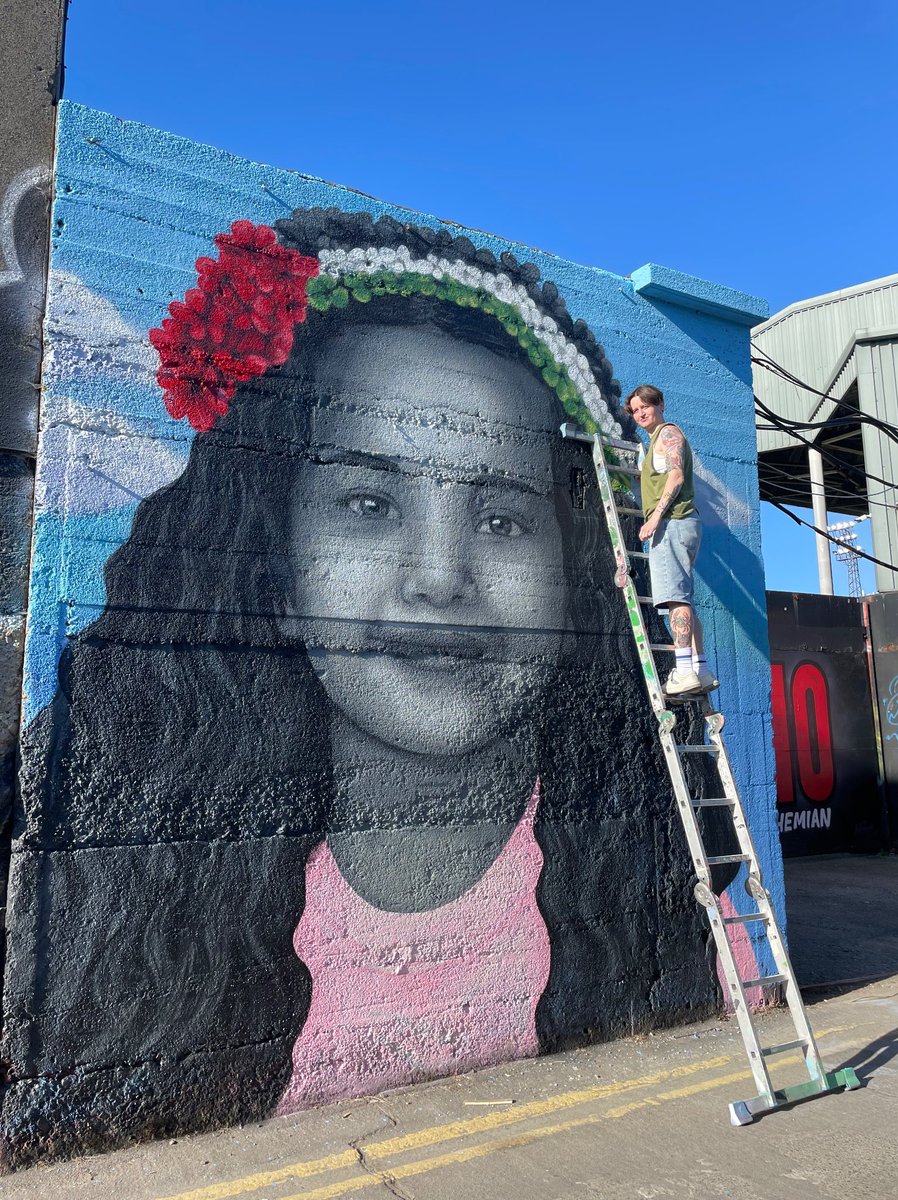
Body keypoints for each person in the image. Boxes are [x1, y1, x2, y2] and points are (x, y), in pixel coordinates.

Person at [4, 213, 728, 1162]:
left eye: (504, 519)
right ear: (279, 560)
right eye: (369, 504)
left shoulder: (666, 878)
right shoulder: (137, 895)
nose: (438, 578)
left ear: (574, 568)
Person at [626, 384, 716, 696]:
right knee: (684, 599)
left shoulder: (667, 435)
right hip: (683, 523)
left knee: (676, 598)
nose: (640, 414)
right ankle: (701, 670)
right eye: (635, 410)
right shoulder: (655, 443)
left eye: (645, 407)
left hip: (673, 523)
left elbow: (676, 476)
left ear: (660, 404)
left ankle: (684, 670)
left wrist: (655, 516)